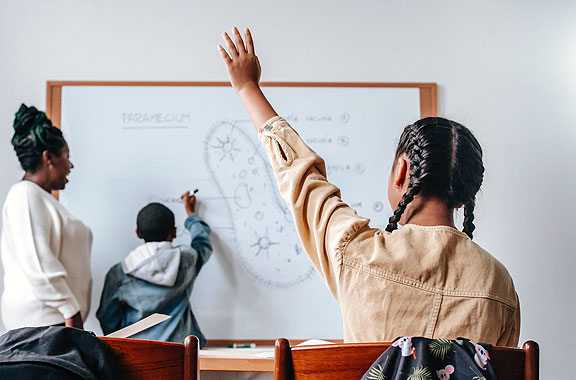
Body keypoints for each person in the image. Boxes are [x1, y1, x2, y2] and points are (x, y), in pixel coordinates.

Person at [217, 27, 520, 346]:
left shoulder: (359, 252)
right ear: (465, 196)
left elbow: (302, 177)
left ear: (401, 171)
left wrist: (247, 87)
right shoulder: (498, 283)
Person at [1, 104, 92, 330]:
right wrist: (71, 312)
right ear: (48, 157)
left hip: (54, 326)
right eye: (66, 157)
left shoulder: (40, 199)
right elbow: (39, 263)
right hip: (45, 329)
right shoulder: (25, 195)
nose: (70, 165)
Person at [97, 192, 212, 346]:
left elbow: (108, 318)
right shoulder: (186, 259)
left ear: (137, 233)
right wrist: (191, 215)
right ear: (175, 232)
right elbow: (202, 243)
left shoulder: (120, 273)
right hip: (182, 354)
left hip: (138, 355)